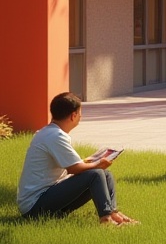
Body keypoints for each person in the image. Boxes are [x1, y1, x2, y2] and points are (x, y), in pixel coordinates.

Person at [17, 92, 138, 226]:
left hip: (47, 197)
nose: (80, 116)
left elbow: (72, 165)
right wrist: (98, 163)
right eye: (80, 113)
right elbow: (73, 168)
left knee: (105, 174)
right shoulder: (55, 136)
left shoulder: (50, 132)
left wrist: (92, 163)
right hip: (34, 207)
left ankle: (114, 214)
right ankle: (106, 220)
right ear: (73, 116)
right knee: (96, 174)